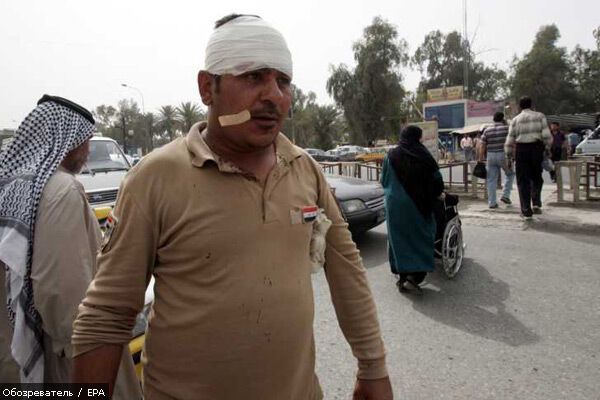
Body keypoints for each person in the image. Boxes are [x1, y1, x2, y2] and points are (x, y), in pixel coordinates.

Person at [71, 14, 392, 400]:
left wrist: (372, 368)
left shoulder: (304, 168)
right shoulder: (154, 178)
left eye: (283, 81)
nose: (274, 96)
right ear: (208, 88)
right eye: (254, 77)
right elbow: (106, 315)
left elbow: (346, 269)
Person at [0, 96, 140, 398]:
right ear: (68, 141)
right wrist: (87, 354)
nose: (87, 152)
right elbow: (63, 292)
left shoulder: (13, 183)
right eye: (85, 142)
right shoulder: (61, 189)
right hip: (65, 357)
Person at [382, 126, 444, 293]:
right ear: (418, 137)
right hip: (418, 204)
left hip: (394, 204)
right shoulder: (424, 156)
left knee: (399, 239)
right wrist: (437, 194)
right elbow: (437, 181)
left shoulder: (390, 155)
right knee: (421, 236)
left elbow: (384, 180)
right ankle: (414, 276)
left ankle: (403, 277)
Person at [505, 96, 552, 219]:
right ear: (531, 105)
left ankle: (526, 209)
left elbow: (510, 140)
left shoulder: (515, 120)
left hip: (521, 149)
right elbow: (547, 136)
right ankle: (536, 201)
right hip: (537, 148)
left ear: (520, 106)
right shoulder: (540, 116)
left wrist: (509, 155)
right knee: (537, 176)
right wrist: (547, 149)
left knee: (523, 180)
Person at [480, 112, 515, 209]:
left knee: (491, 180)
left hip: (490, 156)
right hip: (503, 155)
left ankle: (492, 203)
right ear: (502, 119)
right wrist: (513, 156)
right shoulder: (506, 128)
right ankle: (505, 195)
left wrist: (480, 159)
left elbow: (482, 146)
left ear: (493, 119)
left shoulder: (487, 130)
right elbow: (512, 143)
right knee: (510, 174)